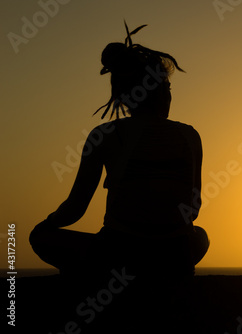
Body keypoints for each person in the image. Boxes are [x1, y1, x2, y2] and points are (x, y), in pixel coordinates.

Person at [29, 22, 208, 284]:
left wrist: (48, 223)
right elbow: (193, 210)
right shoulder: (190, 135)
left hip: (118, 252)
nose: (169, 97)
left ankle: (94, 276)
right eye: (166, 89)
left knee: (40, 237)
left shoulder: (104, 134)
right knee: (201, 236)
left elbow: (75, 208)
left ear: (123, 97)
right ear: (159, 93)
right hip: (176, 253)